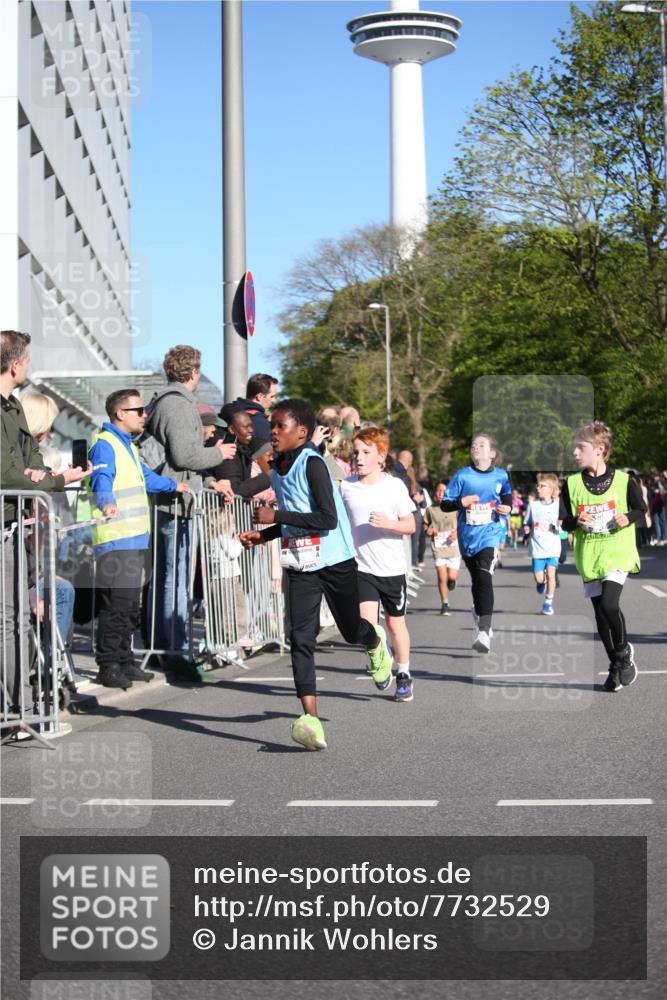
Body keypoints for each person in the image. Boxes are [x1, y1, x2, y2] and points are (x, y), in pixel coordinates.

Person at [239, 399, 392, 751]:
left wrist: (274, 518)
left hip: (335, 560)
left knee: (352, 630)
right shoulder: (277, 470)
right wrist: (263, 536)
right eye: (272, 426)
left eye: (280, 427)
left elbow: (326, 519)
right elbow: (294, 519)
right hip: (300, 565)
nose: (273, 432)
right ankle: (310, 718)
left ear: (302, 433)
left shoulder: (314, 465)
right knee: (301, 638)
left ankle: (373, 641)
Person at [1, 330, 89, 717]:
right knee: (9, 621)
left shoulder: (14, 406)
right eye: (28, 361)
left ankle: (25, 704)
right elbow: (6, 474)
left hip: (15, 525)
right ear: (16, 364)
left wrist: (38, 473)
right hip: (5, 524)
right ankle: (17, 710)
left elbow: (29, 457)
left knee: (19, 618)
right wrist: (54, 480)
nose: (29, 367)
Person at [88, 388, 189, 689]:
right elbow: (100, 479)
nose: (144, 415)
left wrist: (174, 485)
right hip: (116, 539)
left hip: (133, 539)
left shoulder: (128, 446)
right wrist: (106, 501)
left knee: (130, 607)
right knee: (116, 607)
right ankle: (108, 666)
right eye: (139, 410)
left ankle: (125, 660)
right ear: (120, 414)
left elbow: (145, 478)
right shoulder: (105, 445)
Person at [142, 345, 234, 664]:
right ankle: (176, 648)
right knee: (175, 577)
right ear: (194, 372)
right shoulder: (178, 406)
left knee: (168, 574)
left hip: (173, 497)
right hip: (176, 503)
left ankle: (162, 644)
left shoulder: (164, 402)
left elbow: (176, 458)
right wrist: (219, 455)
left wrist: (208, 481)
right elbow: (184, 456)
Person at [559, 421, 644, 693]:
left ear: (600, 449)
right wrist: (576, 521)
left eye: (579, 447)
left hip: (617, 551)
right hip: (590, 554)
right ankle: (615, 665)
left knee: (609, 604)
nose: (574, 452)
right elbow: (564, 522)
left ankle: (622, 655)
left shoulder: (623, 481)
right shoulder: (571, 484)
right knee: (599, 614)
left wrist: (626, 517)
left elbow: (640, 509)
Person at [340, 426, 417, 702]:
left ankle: (404, 674)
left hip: (392, 569)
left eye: (366, 452)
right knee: (366, 625)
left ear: (381, 456)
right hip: (362, 568)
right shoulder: (346, 486)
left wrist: (388, 524)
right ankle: (381, 658)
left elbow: (410, 525)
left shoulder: (394, 485)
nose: (359, 458)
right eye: (356, 452)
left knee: (396, 625)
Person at [441, 433, 512, 653]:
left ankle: (484, 630)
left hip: (490, 534)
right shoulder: (462, 476)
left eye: (481, 445)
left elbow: (507, 495)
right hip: (467, 535)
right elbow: (444, 504)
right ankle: (479, 611)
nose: (476, 448)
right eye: (473, 446)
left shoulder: (500, 475)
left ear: (492, 453)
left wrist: (507, 507)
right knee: (476, 579)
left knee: (484, 577)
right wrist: (460, 502)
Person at [209, 405, 272, 498]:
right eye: (246, 427)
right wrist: (268, 477)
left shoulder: (241, 449)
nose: (251, 430)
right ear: (231, 429)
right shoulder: (227, 453)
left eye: (251, 426)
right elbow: (235, 489)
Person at [523, 474, 562, 615]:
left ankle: (548, 603)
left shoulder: (558, 506)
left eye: (542, 486)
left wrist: (561, 527)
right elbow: (526, 522)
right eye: (538, 485)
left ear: (551, 489)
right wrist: (526, 528)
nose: (538, 488)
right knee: (539, 578)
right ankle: (541, 583)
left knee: (552, 575)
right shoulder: (533, 506)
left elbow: (564, 524)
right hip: (537, 547)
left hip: (553, 546)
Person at [423, 480, 460, 615]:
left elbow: (462, 523)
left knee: (451, 577)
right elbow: (425, 525)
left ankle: (452, 581)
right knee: (441, 576)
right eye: (438, 491)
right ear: (434, 493)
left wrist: (457, 533)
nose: (440, 494)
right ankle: (445, 603)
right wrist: (428, 530)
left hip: (453, 547)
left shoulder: (455, 508)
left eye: (443, 491)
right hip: (438, 547)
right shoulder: (430, 510)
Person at [230, 373, 278, 442]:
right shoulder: (261, 423)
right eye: (272, 396)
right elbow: (269, 452)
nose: (274, 400)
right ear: (260, 396)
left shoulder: (231, 413)